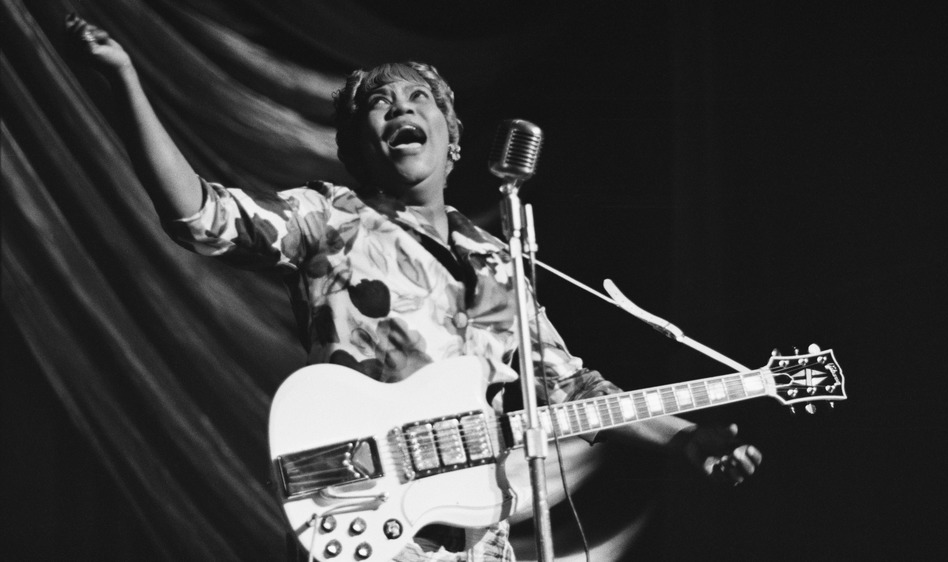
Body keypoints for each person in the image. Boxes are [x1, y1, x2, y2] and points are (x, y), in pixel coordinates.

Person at [65, 13, 762, 562]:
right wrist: (124, 82)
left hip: (477, 536)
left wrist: (684, 440)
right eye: (378, 102)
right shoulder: (331, 218)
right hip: (371, 523)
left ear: (451, 139)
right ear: (355, 144)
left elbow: (572, 391)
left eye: (417, 97)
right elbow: (205, 219)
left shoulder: (500, 258)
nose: (399, 106)